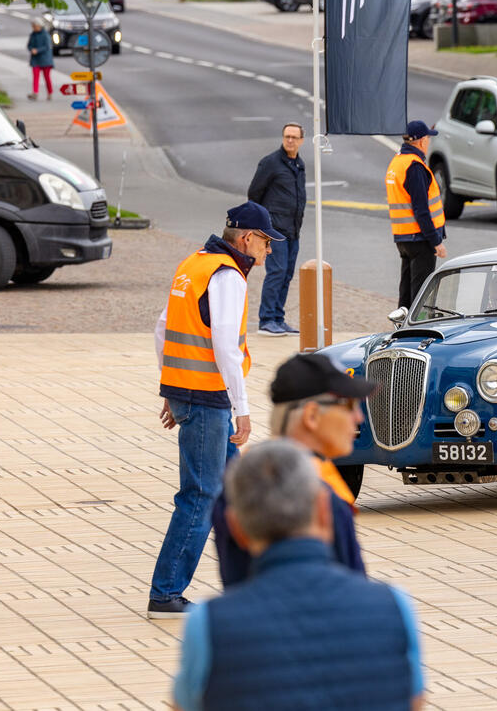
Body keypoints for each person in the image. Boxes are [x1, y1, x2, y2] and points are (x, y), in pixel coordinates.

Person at [173, 440, 425, 711]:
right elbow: (414, 701)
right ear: (325, 512)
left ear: (236, 528)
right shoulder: (395, 607)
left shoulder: (208, 624)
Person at [148, 201, 285, 620]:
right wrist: (241, 408)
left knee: (234, 493)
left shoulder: (194, 265)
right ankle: (165, 594)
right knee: (201, 495)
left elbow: (162, 329)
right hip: (209, 400)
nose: (269, 252)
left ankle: (252, 582)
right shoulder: (228, 276)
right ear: (246, 239)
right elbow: (226, 345)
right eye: (265, 242)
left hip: (193, 395)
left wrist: (173, 390)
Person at [212, 352, 376, 587]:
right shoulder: (319, 494)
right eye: (349, 404)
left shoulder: (236, 486)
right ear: (311, 416)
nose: (359, 417)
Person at [247, 122, 306, 337]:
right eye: (286, 136)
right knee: (277, 272)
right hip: (274, 230)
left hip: (293, 230)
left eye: (294, 137)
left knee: (287, 274)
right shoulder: (271, 163)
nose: (290, 140)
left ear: (301, 141)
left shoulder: (299, 165)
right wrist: (262, 225)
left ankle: (278, 318)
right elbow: (254, 193)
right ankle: (267, 319)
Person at [386, 120, 447, 310]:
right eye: (428, 138)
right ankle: (416, 332)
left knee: (406, 292)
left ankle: (401, 328)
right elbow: (421, 210)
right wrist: (436, 241)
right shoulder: (415, 167)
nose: (429, 142)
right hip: (419, 238)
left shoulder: (397, 162)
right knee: (421, 296)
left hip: (403, 238)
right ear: (421, 141)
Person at [27, 18, 54, 102]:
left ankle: (50, 93)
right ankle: (35, 92)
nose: (34, 28)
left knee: (46, 77)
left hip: (45, 59)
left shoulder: (45, 35)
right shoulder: (33, 35)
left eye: (35, 26)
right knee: (35, 76)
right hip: (35, 59)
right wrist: (31, 49)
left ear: (39, 26)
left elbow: (47, 47)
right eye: (33, 26)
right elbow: (29, 45)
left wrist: (37, 50)